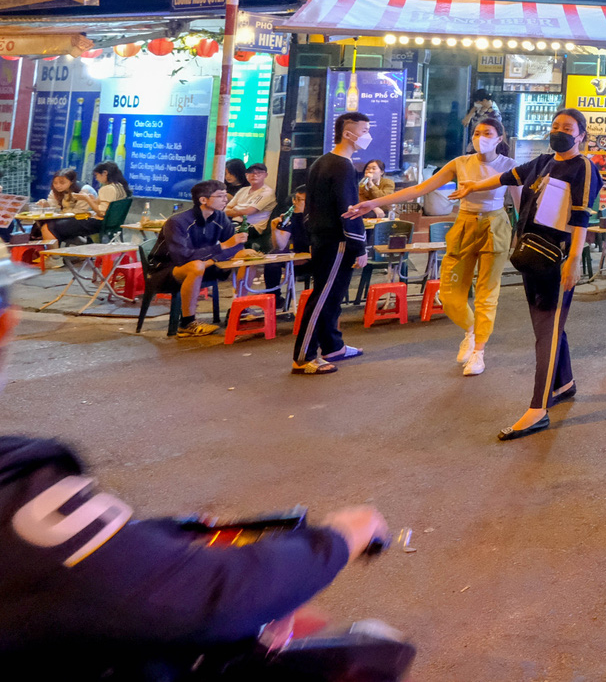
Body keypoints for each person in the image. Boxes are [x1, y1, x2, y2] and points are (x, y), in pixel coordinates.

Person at [0, 258, 392, 668]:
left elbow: (81, 565)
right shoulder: (18, 495)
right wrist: (338, 540)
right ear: (7, 326)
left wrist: (169, 537)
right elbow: (202, 594)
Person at [451, 108, 597, 440]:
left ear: (581, 135)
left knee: (546, 332)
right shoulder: (543, 161)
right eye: (556, 125)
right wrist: (473, 185)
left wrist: (574, 261)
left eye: (568, 128)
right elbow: (508, 177)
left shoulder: (583, 167)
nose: (559, 131)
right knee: (549, 325)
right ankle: (564, 382)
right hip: (530, 256)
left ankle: (538, 409)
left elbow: (581, 219)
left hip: (557, 261)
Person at [349, 114, 518, 376]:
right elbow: (420, 189)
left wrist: (525, 237)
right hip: (463, 224)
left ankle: (479, 352)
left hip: (495, 226)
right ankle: (472, 330)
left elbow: (521, 205)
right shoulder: (459, 163)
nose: (480, 138)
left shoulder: (509, 166)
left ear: (499, 138)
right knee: (449, 295)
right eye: (476, 133)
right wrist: (374, 203)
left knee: (487, 294)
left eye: (486, 134)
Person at [290, 112, 371, 377]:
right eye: (364, 130)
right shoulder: (342, 165)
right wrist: (359, 246)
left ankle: (333, 346)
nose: (367, 135)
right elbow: (349, 211)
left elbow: (311, 208)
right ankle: (304, 357)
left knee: (333, 296)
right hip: (335, 241)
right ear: (348, 133)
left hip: (322, 238)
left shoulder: (322, 162)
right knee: (323, 297)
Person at [145, 181, 249, 339]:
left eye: (225, 195)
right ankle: (187, 323)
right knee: (196, 266)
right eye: (220, 196)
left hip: (204, 263)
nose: (225, 200)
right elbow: (182, 257)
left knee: (247, 253)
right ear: (203, 200)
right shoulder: (177, 222)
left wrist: (214, 258)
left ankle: (240, 310)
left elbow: (236, 247)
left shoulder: (220, 217)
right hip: (164, 271)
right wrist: (220, 250)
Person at [41, 164, 128, 245]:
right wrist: (92, 200)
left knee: (50, 227)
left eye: (96, 175)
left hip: (99, 223)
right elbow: (105, 206)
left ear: (105, 173)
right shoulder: (119, 186)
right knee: (50, 225)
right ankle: (70, 254)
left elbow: (102, 213)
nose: (96, 178)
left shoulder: (106, 188)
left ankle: (54, 258)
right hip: (109, 223)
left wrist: (87, 199)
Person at [30, 170, 93, 244]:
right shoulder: (54, 191)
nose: (58, 186)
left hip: (84, 219)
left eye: (62, 183)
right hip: (64, 217)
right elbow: (54, 209)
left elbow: (80, 211)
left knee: (49, 227)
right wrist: (46, 205)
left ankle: (53, 252)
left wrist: (62, 212)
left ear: (72, 181)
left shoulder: (84, 190)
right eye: (55, 183)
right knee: (39, 223)